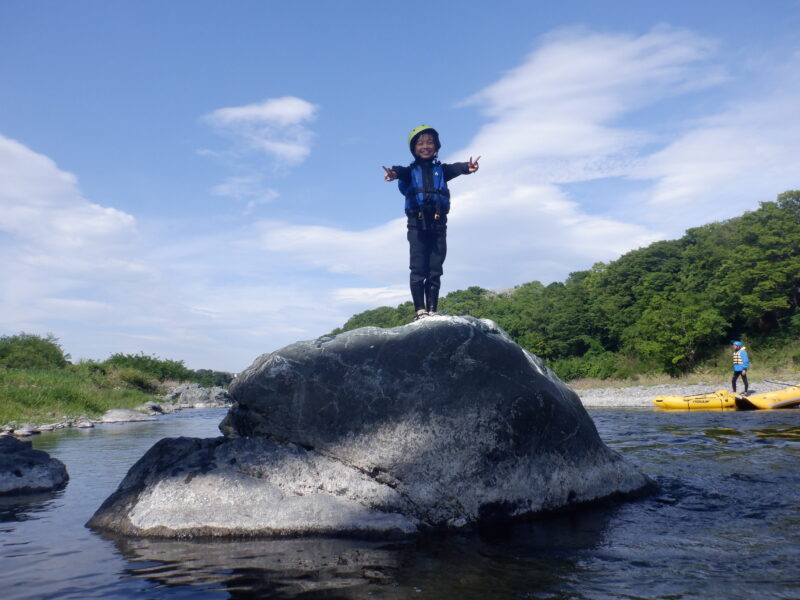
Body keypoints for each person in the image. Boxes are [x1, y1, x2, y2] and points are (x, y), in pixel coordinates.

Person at [382, 125, 480, 320]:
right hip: (416, 224)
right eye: (420, 143)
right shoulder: (410, 171)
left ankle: (433, 309)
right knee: (418, 268)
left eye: (429, 142)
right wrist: (393, 173)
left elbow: (457, 168)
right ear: (414, 149)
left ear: (436, 147)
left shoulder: (441, 170)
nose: (425, 146)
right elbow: (399, 172)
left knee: (435, 268)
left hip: (438, 224)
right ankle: (420, 311)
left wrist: (468, 168)